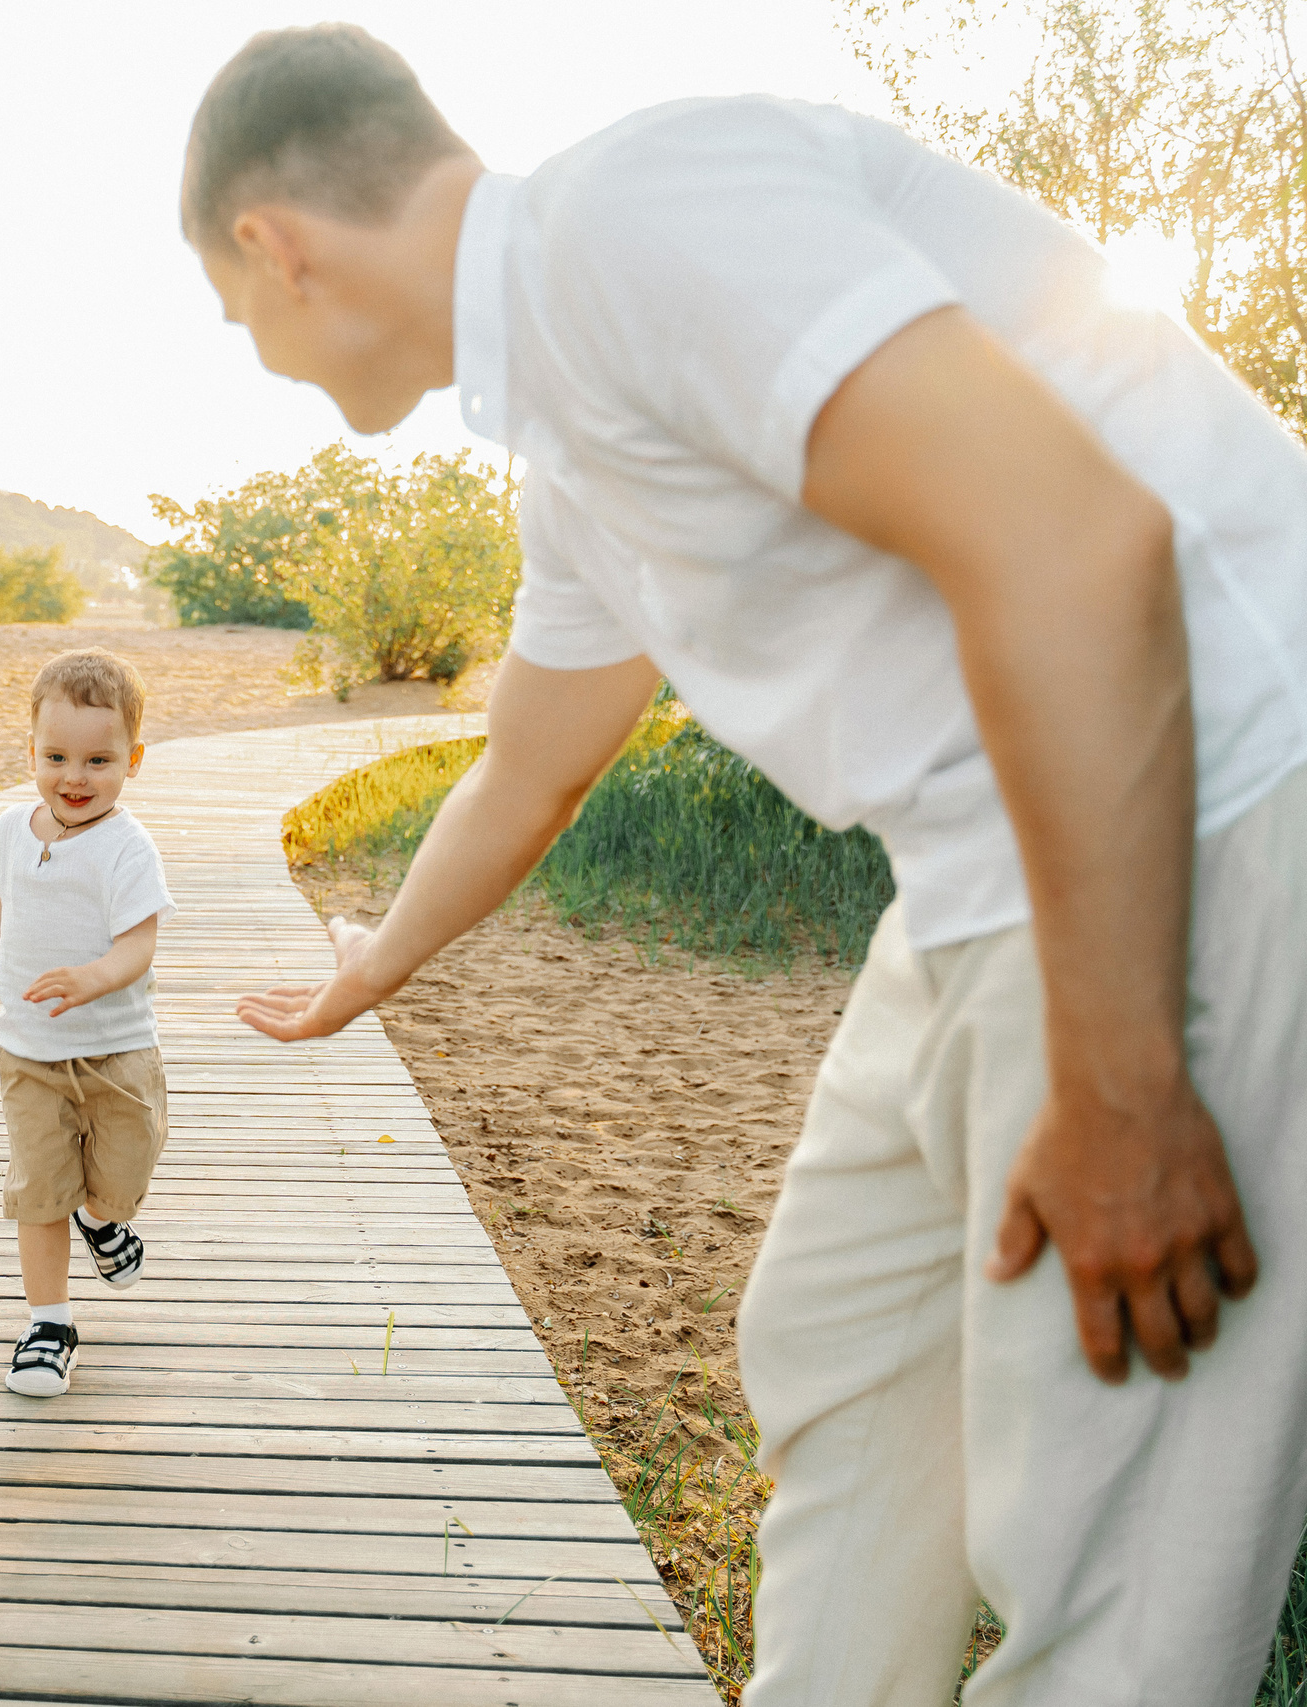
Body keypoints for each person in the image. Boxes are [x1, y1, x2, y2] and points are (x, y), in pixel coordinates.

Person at [191, 24, 1307, 1707]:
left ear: (273, 249)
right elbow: (532, 763)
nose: (249, 347)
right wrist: (370, 966)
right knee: (848, 1353)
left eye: (229, 311)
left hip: (1218, 802)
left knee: (1112, 1539)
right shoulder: (567, 436)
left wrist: (1129, 1090)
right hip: (981, 866)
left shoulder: (637, 218)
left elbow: (1078, 539)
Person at [0, 650, 177, 1397]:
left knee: (123, 1175)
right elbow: (4, 904)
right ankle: (49, 1323)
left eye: (99, 759)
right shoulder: (10, 829)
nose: (75, 776)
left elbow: (140, 941)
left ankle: (105, 1221)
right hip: (29, 1053)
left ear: (132, 758)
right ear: (30, 751)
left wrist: (93, 978)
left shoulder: (127, 847)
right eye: (56, 756)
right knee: (39, 1189)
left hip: (116, 1052)